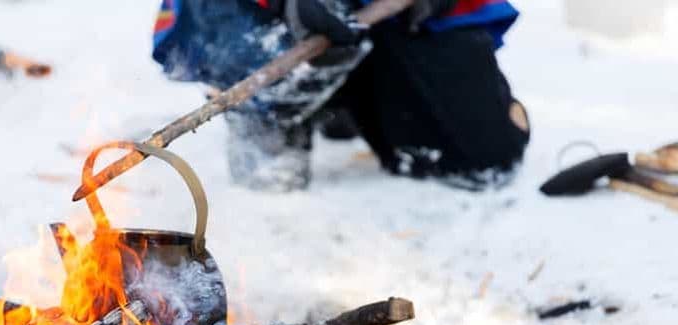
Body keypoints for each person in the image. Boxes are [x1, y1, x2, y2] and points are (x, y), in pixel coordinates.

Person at [151, 0, 530, 191]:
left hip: (392, 17)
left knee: (481, 159)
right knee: (270, 177)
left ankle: (356, 97)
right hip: (265, 17)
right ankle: (271, 111)